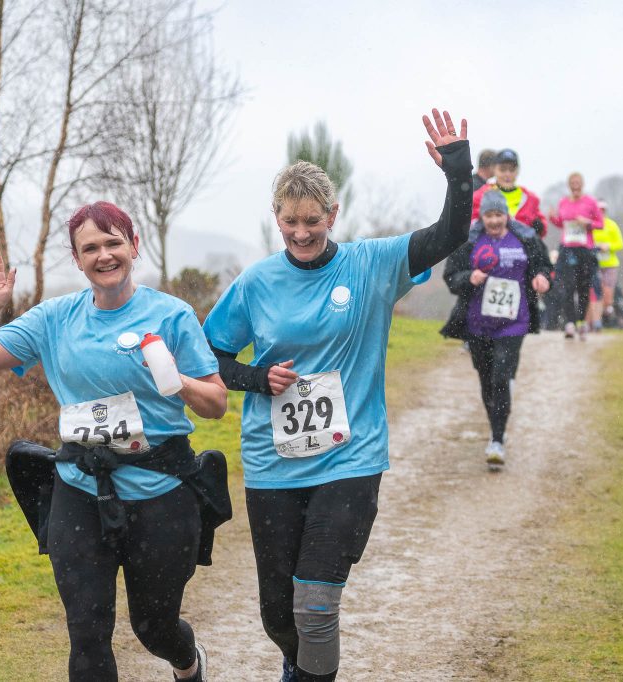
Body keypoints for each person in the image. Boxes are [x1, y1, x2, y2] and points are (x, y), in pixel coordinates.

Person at [202, 109, 472, 682]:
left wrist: (457, 171)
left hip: (350, 457)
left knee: (316, 606)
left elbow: (450, 234)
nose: (301, 233)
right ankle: (299, 662)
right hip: (273, 464)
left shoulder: (372, 264)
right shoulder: (256, 283)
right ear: (276, 218)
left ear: (333, 214)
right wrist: (258, 378)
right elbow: (210, 359)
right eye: (290, 222)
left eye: (312, 220)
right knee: (279, 615)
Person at [0, 202, 228, 682]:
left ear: (134, 246)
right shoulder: (54, 318)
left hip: (161, 493)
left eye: (113, 243)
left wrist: (179, 381)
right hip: (80, 490)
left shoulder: (172, 315)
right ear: (77, 258)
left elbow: (216, 403)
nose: (104, 255)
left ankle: (188, 663)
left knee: (154, 627)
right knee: (86, 631)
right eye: (90, 248)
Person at [440, 190, 551, 468]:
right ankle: (495, 427)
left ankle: (497, 440)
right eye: (489, 215)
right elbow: (451, 277)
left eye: (498, 215)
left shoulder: (525, 237)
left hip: (515, 322)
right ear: (482, 216)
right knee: (487, 380)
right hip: (477, 323)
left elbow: (543, 265)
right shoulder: (469, 240)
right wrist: (469, 277)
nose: (494, 221)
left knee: (501, 376)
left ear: (506, 215)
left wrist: (541, 278)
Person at [548, 172, 603, 340]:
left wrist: (587, 223)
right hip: (567, 248)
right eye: (572, 182)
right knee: (568, 286)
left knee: (583, 287)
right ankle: (570, 323)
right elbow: (561, 223)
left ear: (582, 183)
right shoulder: (563, 202)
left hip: (585, 249)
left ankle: (581, 321)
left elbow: (600, 223)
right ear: (569, 185)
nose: (575, 185)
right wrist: (553, 218)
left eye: (578, 182)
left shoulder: (590, 202)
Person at [471, 148, 548, 237]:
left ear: (517, 171)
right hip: (489, 245)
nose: (507, 174)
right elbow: (471, 225)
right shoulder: (481, 196)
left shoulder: (530, 198)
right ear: (494, 170)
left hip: (521, 245)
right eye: (502, 170)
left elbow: (542, 229)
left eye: (512, 170)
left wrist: (539, 227)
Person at [589, 200, 623, 330]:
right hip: (594, 264)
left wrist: (608, 246)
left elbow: (620, 244)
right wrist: (595, 247)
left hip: (610, 264)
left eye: (603, 210)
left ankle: (607, 312)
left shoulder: (611, 225)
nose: (601, 212)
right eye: (598, 210)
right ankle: (595, 320)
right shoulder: (591, 225)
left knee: (607, 292)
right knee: (595, 292)